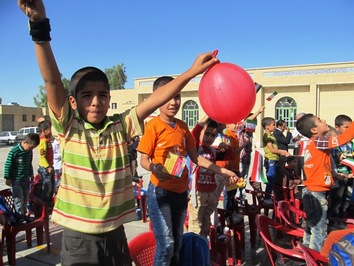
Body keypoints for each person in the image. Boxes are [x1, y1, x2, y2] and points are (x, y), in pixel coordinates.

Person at [18, 1, 220, 264]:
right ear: (72, 102)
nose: (95, 102)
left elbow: (157, 99)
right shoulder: (69, 127)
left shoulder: (120, 126)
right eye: (87, 95)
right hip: (79, 239)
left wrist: (192, 72)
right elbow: (52, 81)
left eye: (102, 95)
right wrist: (39, 28)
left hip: (115, 235)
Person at [137, 76, 239, 265]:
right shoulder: (153, 126)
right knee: (166, 243)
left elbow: (196, 157)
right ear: (157, 98)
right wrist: (153, 167)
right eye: (168, 97)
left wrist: (222, 171)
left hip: (181, 192)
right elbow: (143, 159)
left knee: (176, 243)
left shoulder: (182, 127)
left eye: (177, 97)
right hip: (160, 192)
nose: (174, 102)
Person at [296, 114, 354, 251]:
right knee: (319, 231)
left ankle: (307, 253)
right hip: (316, 193)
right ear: (314, 130)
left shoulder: (314, 145)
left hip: (311, 191)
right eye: (320, 120)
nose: (324, 120)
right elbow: (343, 139)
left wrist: (338, 176)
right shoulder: (318, 141)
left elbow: (322, 167)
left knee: (311, 227)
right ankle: (317, 258)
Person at [188, 117, 235, 238]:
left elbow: (231, 155)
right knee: (195, 225)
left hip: (211, 192)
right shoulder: (195, 148)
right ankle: (195, 252)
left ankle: (204, 249)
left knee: (206, 224)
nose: (209, 138)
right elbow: (195, 132)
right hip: (197, 192)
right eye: (207, 134)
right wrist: (209, 114)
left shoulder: (213, 151)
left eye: (213, 135)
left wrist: (225, 145)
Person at [4, 133, 40, 217]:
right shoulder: (14, 151)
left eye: (33, 148)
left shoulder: (29, 152)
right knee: (18, 200)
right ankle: (20, 217)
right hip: (16, 180)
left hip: (26, 179)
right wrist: (7, 177)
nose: (31, 149)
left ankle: (24, 215)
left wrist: (31, 174)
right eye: (30, 147)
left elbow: (29, 163)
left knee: (25, 199)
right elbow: (8, 165)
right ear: (24, 142)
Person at [328, 115, 353, 229]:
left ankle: (342, 221)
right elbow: (332, 159)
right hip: (339, 176)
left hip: (350, 176)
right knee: (336, 201)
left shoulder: (351, 144)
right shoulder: (334, 143)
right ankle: (333, 223)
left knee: (346, 200)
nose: (349, 130)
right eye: (346, 127)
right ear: (337, 127)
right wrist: (339, 158)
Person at [261, 117, 290, 205]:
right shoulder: (267, 136)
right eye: (273, 125)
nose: (274, 126)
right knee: (271, 178)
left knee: (274, 179)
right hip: (271, 160)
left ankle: (271, 196)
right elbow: (272, 150)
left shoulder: (272, 135)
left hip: (274, 160)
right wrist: (283, 152)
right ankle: (267, 197)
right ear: (267, 127)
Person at [273, 119, 293, 200]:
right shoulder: (277, 133)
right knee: (281, 173)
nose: (285, 128)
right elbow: (286, 141)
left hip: (283, 155)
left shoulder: (279, 133)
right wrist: (288, 133)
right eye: (284, 126)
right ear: (279, 126)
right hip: (281, 155)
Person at [37, 119, 55, 204]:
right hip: (45, 168)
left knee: (52, 188)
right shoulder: (43, 141)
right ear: (44, 130)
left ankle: (48, 204)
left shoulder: (47, 140)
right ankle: (43, 205)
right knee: (47, 188)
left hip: (50, 167)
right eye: (51, 130)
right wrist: (48, 166)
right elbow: (42, 157)